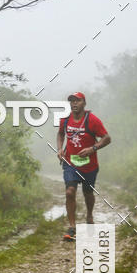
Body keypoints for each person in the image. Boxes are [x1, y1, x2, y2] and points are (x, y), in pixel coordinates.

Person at [56, 92, 111, 241]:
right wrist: (60, 149)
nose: (74, 103)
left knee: (88, 193)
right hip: (70, 163)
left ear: (84, 103)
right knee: (69, 192)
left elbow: (107, 138)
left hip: (89, 165)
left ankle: (89, 215)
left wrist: (92, 149)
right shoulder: (65, 120)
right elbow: (60, 134)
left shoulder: (92, 120)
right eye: (72, 101)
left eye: (77, 101)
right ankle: (72, 227)